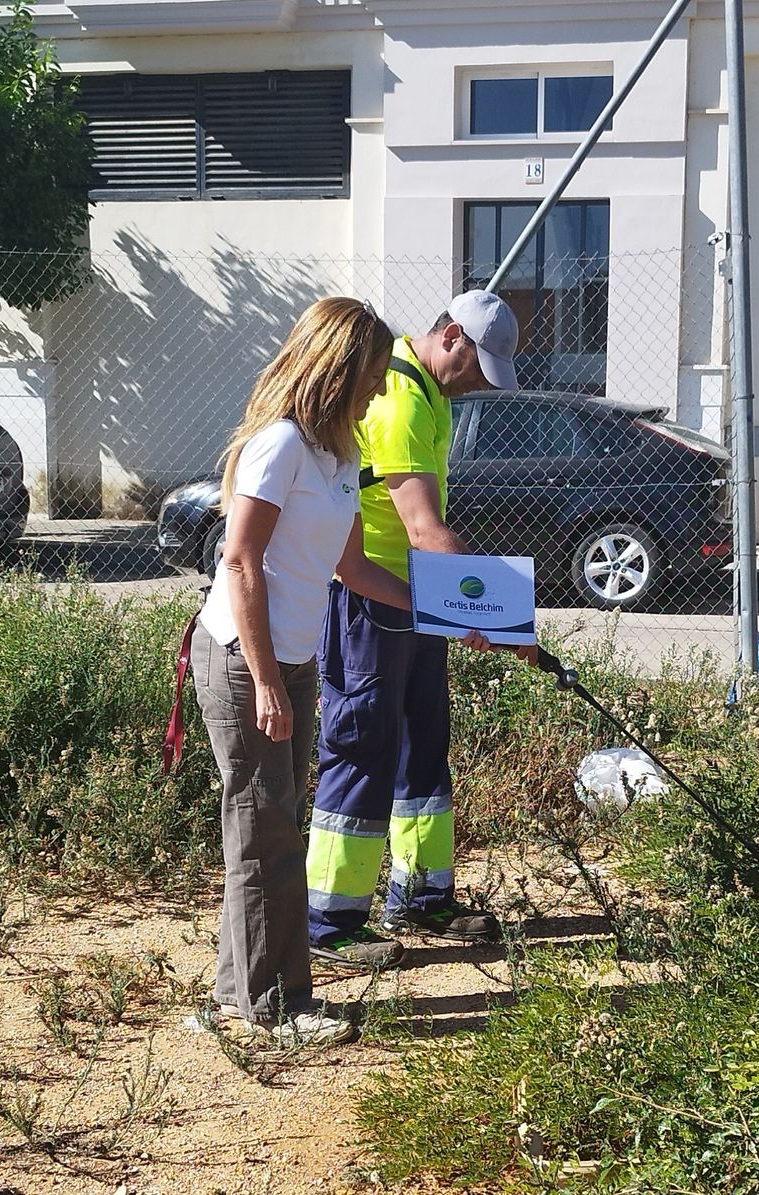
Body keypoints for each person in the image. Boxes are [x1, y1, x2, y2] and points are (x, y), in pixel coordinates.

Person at [192, 296, 410, 1045]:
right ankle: (272, 1008)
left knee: (272, 823)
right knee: (266, 830)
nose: (381, 390)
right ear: (340, 368)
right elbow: (241, 560)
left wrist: (439, 608)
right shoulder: (280, 444)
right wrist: (266, 681)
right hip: (242, 658)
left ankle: (238, 992)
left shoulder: (341, 452)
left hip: (292, 658)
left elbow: (349, 565)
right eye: (375, 374)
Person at [306, 290, 522, 969]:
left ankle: (422, 896)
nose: (482, 383)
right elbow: (426, 530)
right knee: (362, 750)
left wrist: (465, 611)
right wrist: (501, 616)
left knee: (424, 748)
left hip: (414, 600)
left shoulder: (431, 394)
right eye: (478, 366)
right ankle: (329, 919)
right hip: (371, 600)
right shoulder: (398, 399)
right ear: (451, 335)